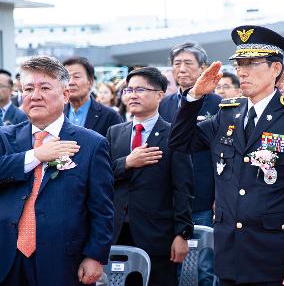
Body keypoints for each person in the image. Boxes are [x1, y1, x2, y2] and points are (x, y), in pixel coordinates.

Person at [168, 25, 284, 286]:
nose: (242, 71)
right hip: (230, 250)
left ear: (276, 70)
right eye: (240, 63)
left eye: (252, 64)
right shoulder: (228, 112)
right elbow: (180, 142)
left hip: (273, 252)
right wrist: (194, 97)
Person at [0, 56, 114, 285]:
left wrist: (95, 256)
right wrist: (36, 156)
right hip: (8, 258)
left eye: (44, 87)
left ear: (64, 94)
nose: (35, 95)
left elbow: (102, 208)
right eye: (28, 88)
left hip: (63, 260)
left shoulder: (91, 144)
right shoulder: (5, 137)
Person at [107, 67, 193, 286]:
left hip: (157, 234)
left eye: (141, 89)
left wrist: (182, 234)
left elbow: (183, 188)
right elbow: (102, 176)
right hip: (118, 231)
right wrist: (127, 163)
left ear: (160, 94)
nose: (133, 95)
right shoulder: (115, 132)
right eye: (129, 90)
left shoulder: (174, 134)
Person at [158, 42, 221, 286]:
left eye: (188, 63)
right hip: (170, 195)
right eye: (177, 64)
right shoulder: (165, 103)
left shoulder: (218, 104)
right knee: (171, 263)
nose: (181, 69)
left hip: (203, 193)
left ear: (204, 68)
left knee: (203, 267)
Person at [62, 57, 123, 137]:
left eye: (76, 77)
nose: (70, 82)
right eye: (67, 78)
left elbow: (117, 147)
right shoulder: (56, 114)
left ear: (90, 82)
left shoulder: (110, 116)